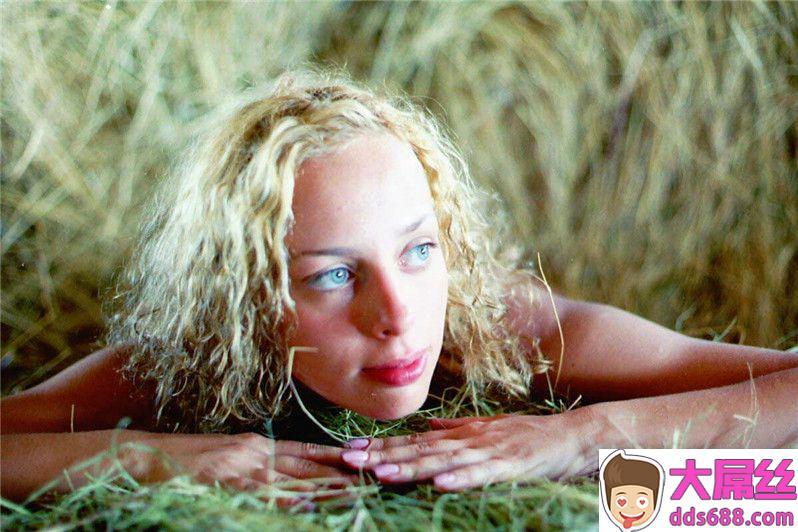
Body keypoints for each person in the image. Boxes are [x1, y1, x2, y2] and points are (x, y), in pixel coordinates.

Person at [2, 70, 796, 502]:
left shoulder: (513, 329)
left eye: (419, 251)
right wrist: (156, 460)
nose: (399, 315)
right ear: (245, 298)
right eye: (334, 275)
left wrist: (578, 441)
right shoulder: (190, 365)